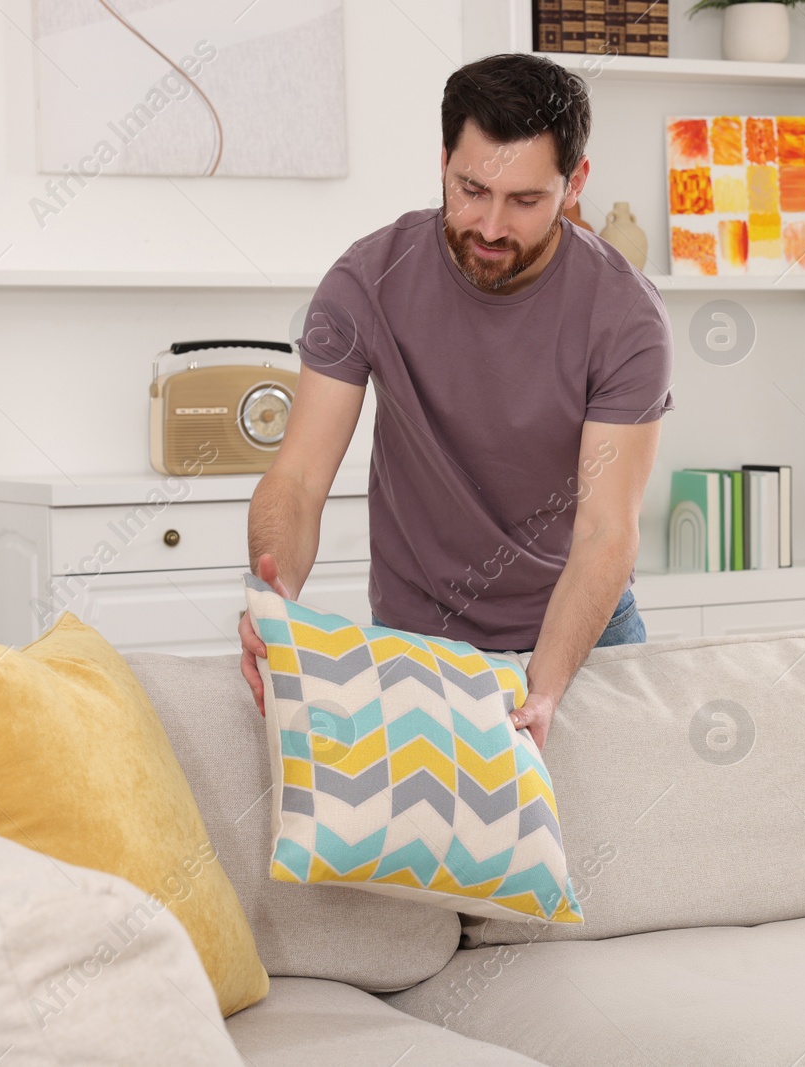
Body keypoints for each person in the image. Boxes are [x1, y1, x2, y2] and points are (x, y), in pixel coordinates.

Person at [239, 53, 675, 749]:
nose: (493, 226)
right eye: (472, 189)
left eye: (526, 200)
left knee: (617, 855)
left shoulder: (626, 316)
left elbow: (606, 532)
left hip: (582, 640)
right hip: (422, 643)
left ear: (575, 183)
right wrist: (276, 591)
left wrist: (546, 686)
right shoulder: (367, 282)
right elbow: (298, 477)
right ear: (444, 162)